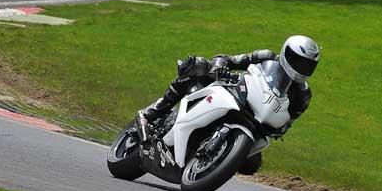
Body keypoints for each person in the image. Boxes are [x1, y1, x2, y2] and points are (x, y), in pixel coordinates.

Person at [135, 35, 321, 144]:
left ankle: (214, 159)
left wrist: (281, 129)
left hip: (257, 123)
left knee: (252, 165)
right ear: (287, 53)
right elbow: (230, 59)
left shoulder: (303, 95)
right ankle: (150, 114)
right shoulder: (267, 57)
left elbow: (289, 121)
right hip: (238, 93)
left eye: (307, 65)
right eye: (298, 62)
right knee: (198, 66)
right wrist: (220, 66)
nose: (302, 68)